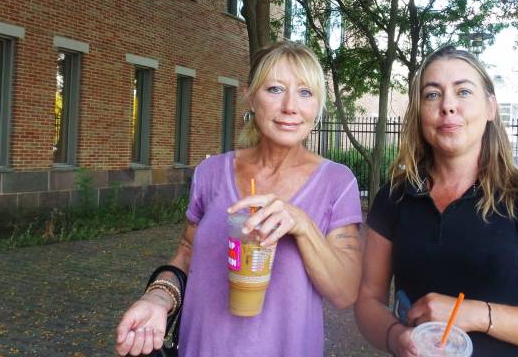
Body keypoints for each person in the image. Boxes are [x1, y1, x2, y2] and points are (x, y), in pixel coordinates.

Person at [115, 42, 363, 356]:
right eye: (275, 89)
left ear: (317, 106)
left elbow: (345, 293)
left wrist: (302, 225)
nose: (290, 106)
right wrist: (158, 297)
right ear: (251, 96)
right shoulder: (211, 173)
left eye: (305, 93)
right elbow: (186, 256)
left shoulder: (336, 182)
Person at [355, 46, 518, 357]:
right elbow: (368, 300)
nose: (448, 106)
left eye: (463, 92)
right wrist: (396, 336)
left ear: (491, 107)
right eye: (432, 94)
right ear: (419, 112)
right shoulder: (394, 197)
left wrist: (475, 315)